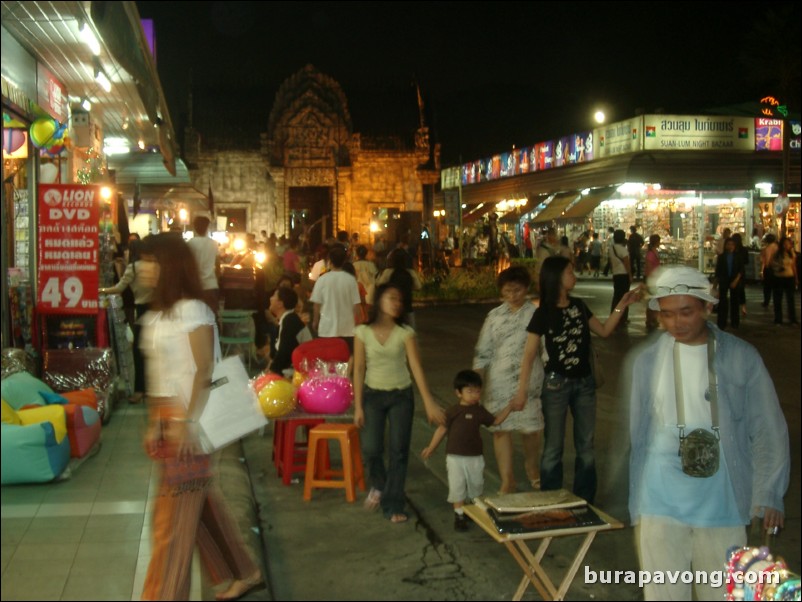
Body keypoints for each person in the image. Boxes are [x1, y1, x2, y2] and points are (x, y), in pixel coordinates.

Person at [628, 265, 789, 601]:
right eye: (668, 314)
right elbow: (639, 434)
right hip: (659, 497)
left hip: (722, 499)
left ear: (707, 307)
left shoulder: (741, 357)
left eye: (686, 312)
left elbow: (767, 427)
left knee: (722, 592)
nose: (677, 323)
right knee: (663, 594)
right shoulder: (648, 361)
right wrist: (637, 501)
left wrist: (769, 492)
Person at [137, 233, 262, 601]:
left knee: (170, 524)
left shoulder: (194, 310)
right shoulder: (157, 314)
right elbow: (158, 375)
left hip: (192, 418)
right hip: (167, 417)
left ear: (169, 266)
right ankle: (245, 571)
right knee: (197, 505)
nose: (142, 268)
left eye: (150, 260)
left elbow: (204, 370)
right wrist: (153, 422)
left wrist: (187, 423)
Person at [512, 255, 640, 503]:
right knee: (553, 447)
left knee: (586, 445)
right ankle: (551, 499)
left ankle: (585, 499)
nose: (575, 275)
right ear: (557, 277)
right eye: (570, 271)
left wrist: (622, 305)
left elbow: (603, 331)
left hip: (584, 384)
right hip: (555, 384)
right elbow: (528, 356)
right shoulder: (543, 313)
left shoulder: (579, 306)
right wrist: (521, 391)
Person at [353, 283, 445, 523]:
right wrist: (358, 406)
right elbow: (359, 368)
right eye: (391, 298)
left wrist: (429, 402)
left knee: (399, 451)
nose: (396, 304)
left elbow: (416, 367)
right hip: (372, 395)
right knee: (371, 448)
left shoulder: (405, 333)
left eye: (399, 300)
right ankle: (380, 485)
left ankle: (394, 504)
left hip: (401, 396)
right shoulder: (362, 332)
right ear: (378, 300)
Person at [473, 266, 544, 493]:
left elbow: (544, 348)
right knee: (500, 430)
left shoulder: (535, 314)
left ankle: (532, 466)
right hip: (498, 382)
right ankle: (507, 479)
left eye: (517, 290)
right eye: (508, 290)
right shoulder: (493, 317)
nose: (513, 295)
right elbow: (482, 351)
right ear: (501, 292)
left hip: (529, 382)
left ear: (526, 289)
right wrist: (477, 381)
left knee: (531, 429)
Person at [421, 370, 515, 531]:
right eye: (469, 391)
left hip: (475, 457)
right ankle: (459, 515)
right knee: (457, 486)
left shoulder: (480, 411)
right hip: (455, 458)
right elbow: (441, 430)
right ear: (458, 393)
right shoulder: (452, 411)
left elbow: (496, 421)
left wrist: (510, 407)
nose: (474, 395)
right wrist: (431, 448)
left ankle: (472, 511)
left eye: (477, 391)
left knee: (476, 485)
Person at [99, 238, 155, 404]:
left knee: (138, 352)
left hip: (143, 310)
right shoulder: (154, 266)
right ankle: (152, 389)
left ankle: (139, 390)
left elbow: (118, 288)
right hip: (157, 310)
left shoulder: (134, 268)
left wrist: (100, 289)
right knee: (152, 351)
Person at [310, 244, 362, 352]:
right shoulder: (351, 280)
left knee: (328, 361)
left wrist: (315, 321)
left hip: (327, 328)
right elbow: (357, 305)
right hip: (347, 329)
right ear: (344, 261)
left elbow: (316, 305)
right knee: (346, 360)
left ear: (329, 261)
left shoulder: (322, 280)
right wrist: (359, 323)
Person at [266, 286, 310, 376]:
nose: (270, 298)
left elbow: (284, 353)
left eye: (274, 296)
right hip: (293, 370)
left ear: (280, 304)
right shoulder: (287, 319)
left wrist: (271, 372)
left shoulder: (290, 321)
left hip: (299, 373)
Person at [376, 248, 423, 329]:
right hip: (407, 307)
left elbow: (379, 284)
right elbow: (418, 287)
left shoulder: (388, 272)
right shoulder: (410, 272)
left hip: (392, 309)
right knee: (410, 333)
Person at [187, 215, 221, 320]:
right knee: (211, 317)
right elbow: (218, 265)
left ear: (194, 227)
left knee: (195, 318)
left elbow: (187, 266)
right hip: (211, 285)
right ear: (207, 227)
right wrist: (217, 280)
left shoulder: (190, 244)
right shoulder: (214, 244)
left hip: (194, 286)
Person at [714, 237, 744, 330]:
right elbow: (718, 271)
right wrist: (715, 285)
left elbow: (741, 270)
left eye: (732, 244)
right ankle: (722, 322)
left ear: (735, 246)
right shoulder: (722, 257)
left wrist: (736, 280)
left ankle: (735, 322)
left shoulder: (738, 257)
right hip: (724, 280)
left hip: (734, 279)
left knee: (734, 301)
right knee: (723, 301)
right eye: (728, 244)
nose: (730, 246)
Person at [771, 236, 799, 326]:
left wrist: (796, 278)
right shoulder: (777, 254)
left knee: (790, 299)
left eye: (788, 244)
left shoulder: (792, 253)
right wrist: (779, 268)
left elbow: (793, 266)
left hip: (789, 277)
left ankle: (792, 319)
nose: (787, 246)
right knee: (778, 299)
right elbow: (772, 264)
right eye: (785, 244)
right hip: (779, 278)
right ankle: (778, 319)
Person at [608, 229, 632, 327]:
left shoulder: (611, 248)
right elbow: (627, 264)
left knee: (616, 297)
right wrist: (630, 275)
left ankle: (614, 316)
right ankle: (623, 318)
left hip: (616, 275)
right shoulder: (623, 249)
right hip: (624, 275)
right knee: (625, 298)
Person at [352, 244, 378, 312]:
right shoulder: (371, 265)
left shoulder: (353, 265)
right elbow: (376, 277)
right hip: (370, 292)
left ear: (357, 254)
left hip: (357, 293)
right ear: (366, 253)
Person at [644, 234, 661, 330]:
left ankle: (653, 319)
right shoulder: (651, 253)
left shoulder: (654, 252)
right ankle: (650, 320)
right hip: (652, 279)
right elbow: (649, 267)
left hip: (655, 278)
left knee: (654, 300)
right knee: (651, 300)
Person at [760, 233, 779, 308]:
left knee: (767, 287)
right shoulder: (778, 247)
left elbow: (765, 261)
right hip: (777, 268)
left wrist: (761, 271)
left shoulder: (766, 248)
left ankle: (766, 301)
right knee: (776, 287)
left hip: (769, 269)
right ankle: (776, 301)